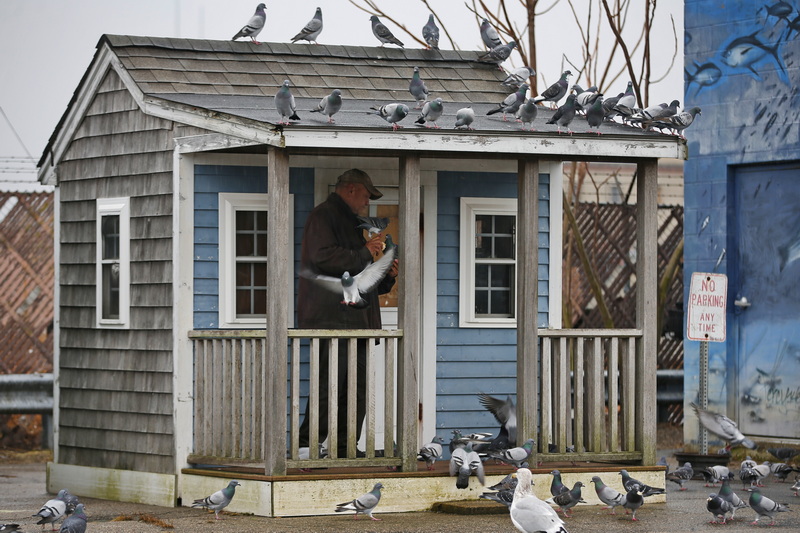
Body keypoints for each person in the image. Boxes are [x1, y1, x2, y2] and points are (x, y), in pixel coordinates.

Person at [297, 169, 399, 458]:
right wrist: (367, 252)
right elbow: (322, 258)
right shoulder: (324, 216)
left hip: (358, 321)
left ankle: (345, 447)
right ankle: (307, 446)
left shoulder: (352, 223)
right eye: (366, 196)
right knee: (328, 387)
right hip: (332, 320)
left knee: (356, 391)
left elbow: (358, 279)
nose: (367, 203)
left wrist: (387, 276)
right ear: (351, 189)